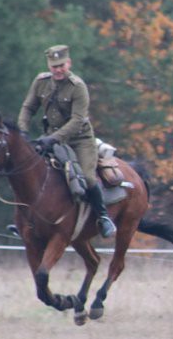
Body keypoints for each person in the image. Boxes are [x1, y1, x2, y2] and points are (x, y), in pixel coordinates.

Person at [18, 45, 117, 238]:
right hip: (50, 138)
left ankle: (103, 217)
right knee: (27, 171)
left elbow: (77, 120)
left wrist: (52, 139)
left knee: (87, 178)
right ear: (49, 65)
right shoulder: (41, 82)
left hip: (79, 140)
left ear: (69, 63)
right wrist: (22, 131)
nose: (58, 69)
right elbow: (28, 107)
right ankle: (25, 220)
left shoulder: (77, 86)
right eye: (54, 65)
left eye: (62, 65)